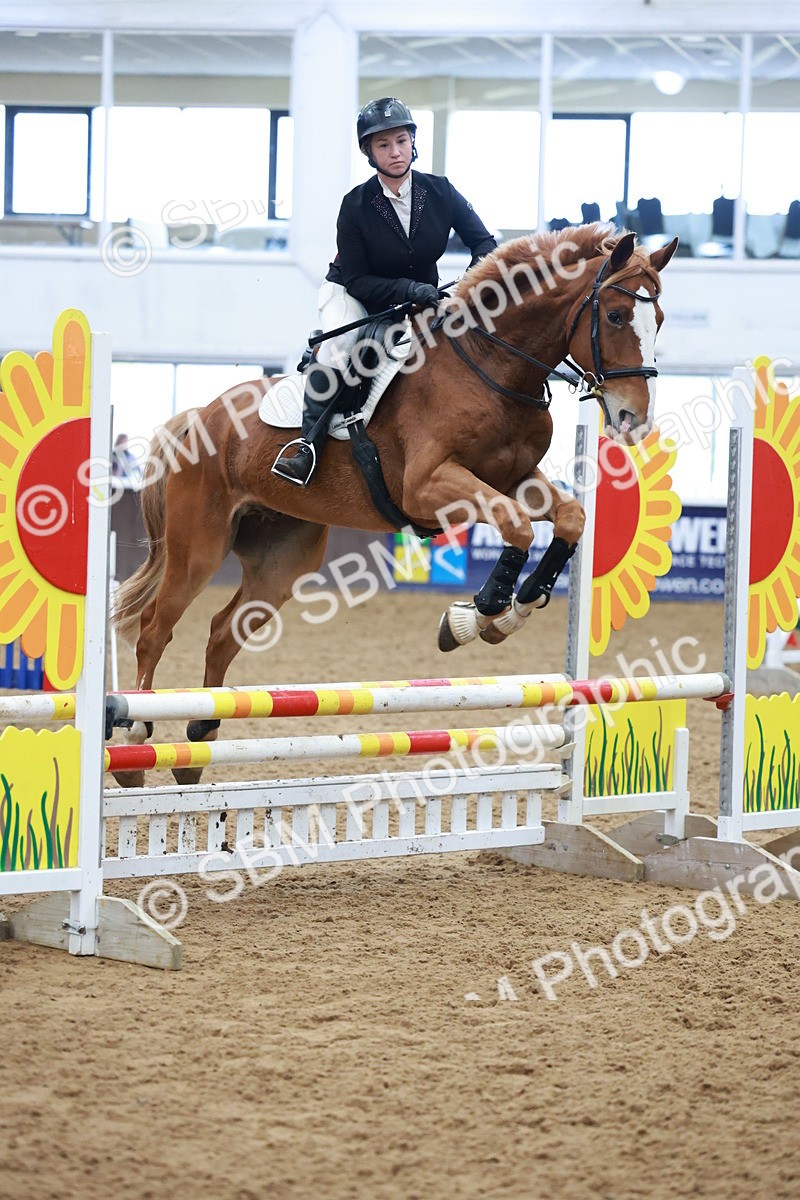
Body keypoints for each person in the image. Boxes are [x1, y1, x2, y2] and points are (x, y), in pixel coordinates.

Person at [272, 96, 497, 486]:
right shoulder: (355, 205)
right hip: (353, 294)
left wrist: (466, 290)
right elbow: (357, 278)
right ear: (369, 153)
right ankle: (307, 446)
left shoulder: (441, 192)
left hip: (420, 298)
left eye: (401, 141)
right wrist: (409, 289)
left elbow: (485, 245)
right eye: (383, 144)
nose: (395, 152)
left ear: (413, 142)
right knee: (341, 347)